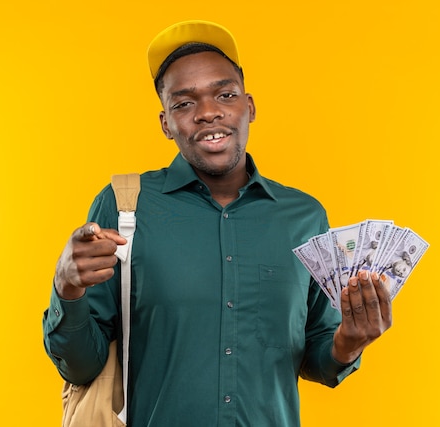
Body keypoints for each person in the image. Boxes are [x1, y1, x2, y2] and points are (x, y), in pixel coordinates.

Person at [43, 20, 392, 427]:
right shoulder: (124, 208)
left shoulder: (304, 217)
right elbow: (81, 368)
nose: (208, 112)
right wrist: (67, 291)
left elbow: (315, 358)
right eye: (184, 103)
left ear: (250, 107)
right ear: (165, 124)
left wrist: (348, 344)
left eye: (224, 94)